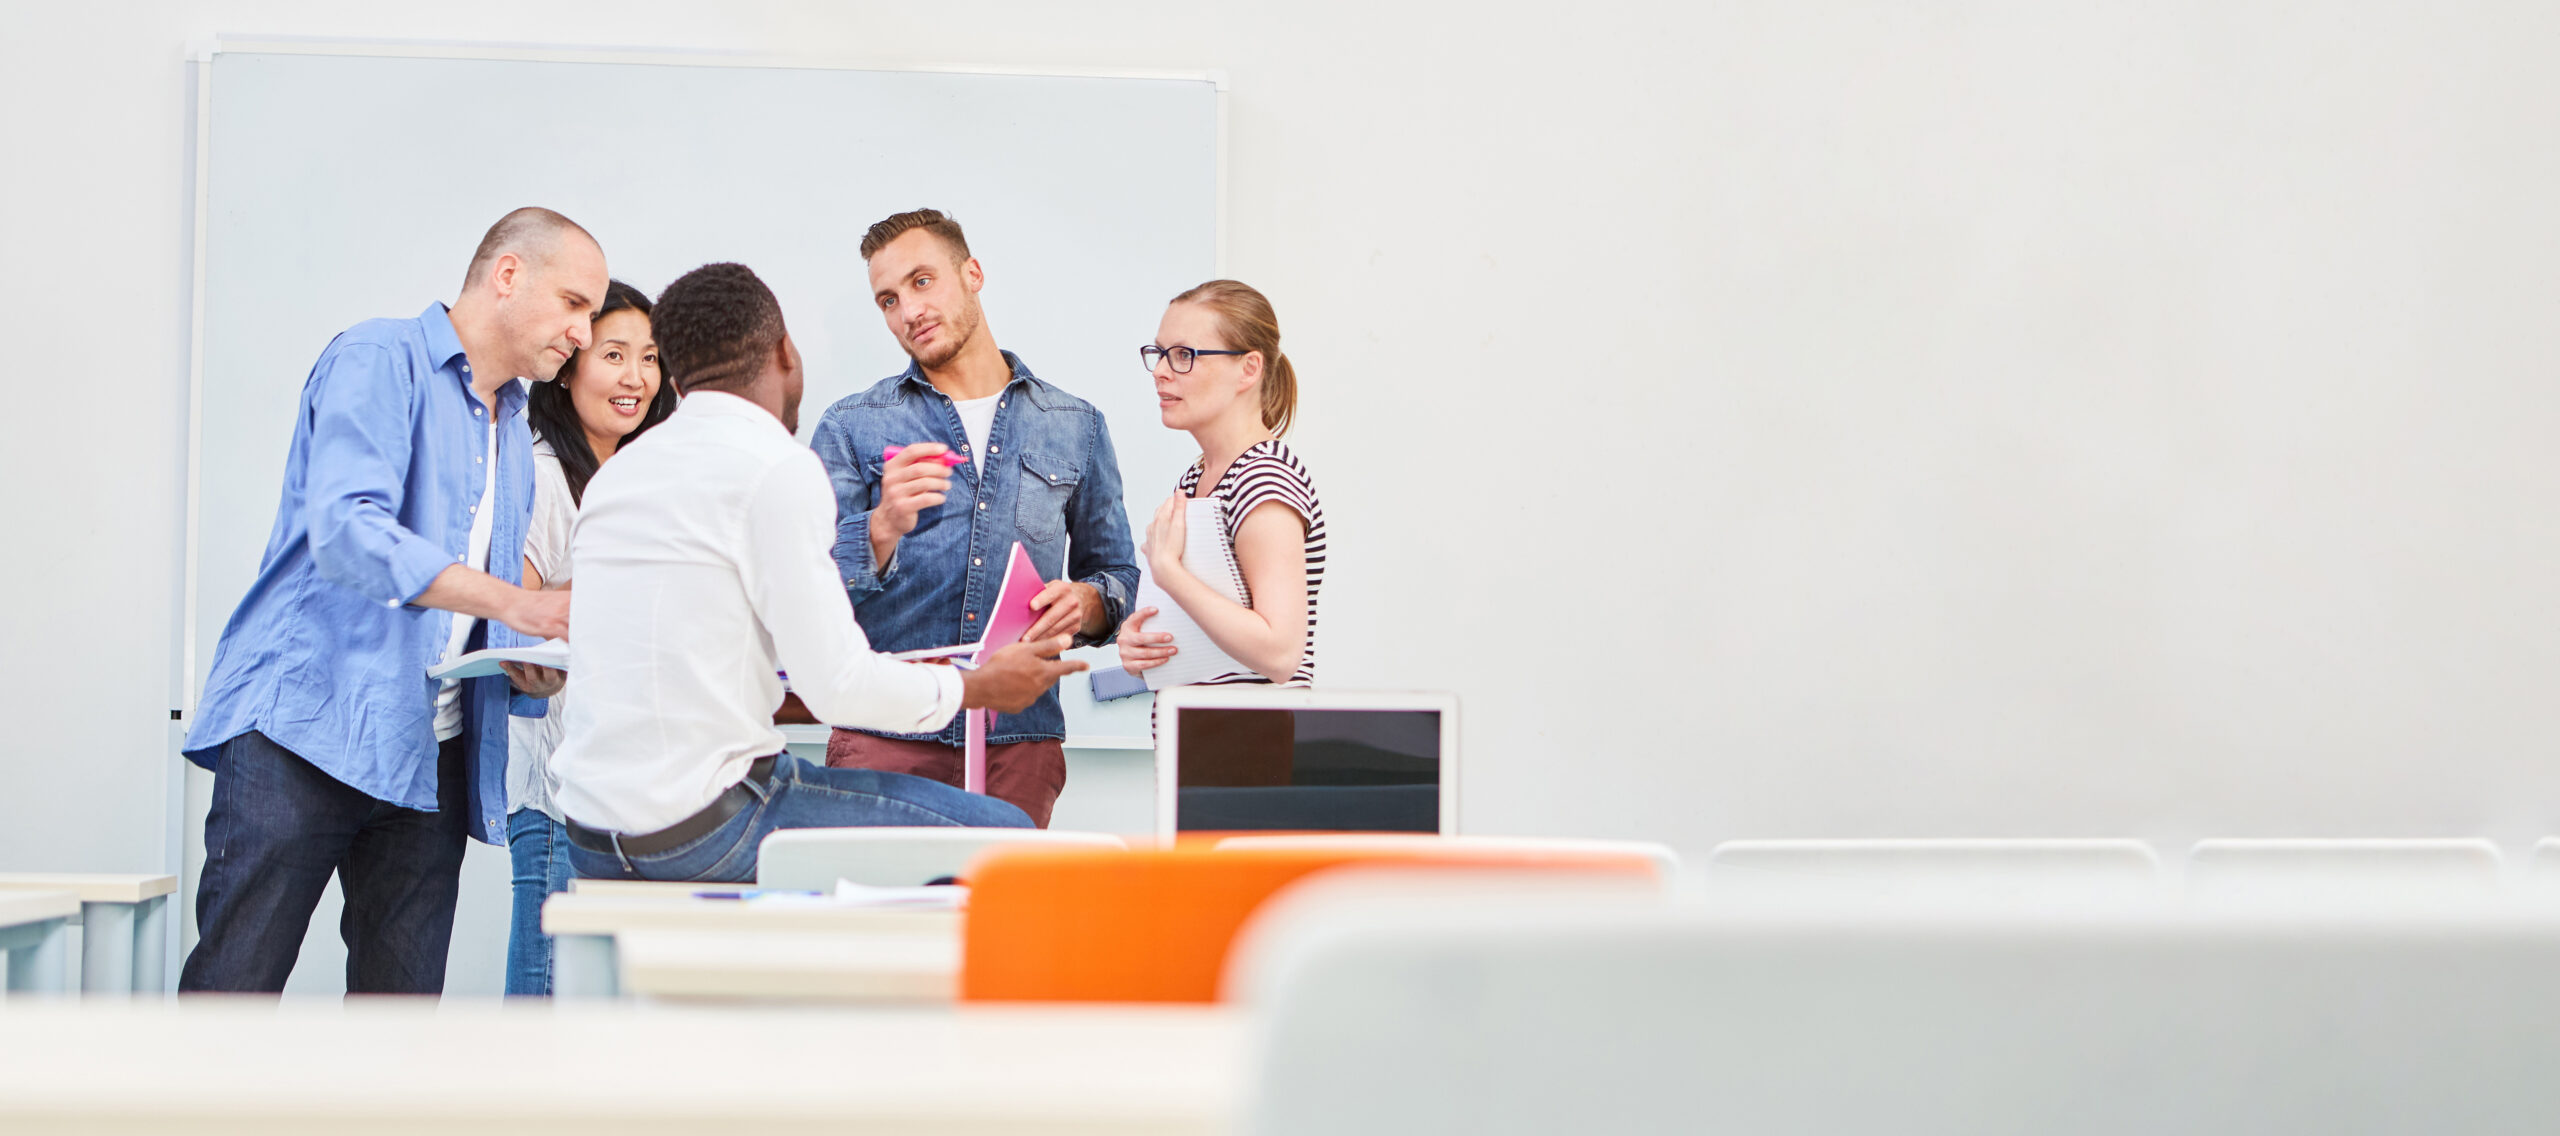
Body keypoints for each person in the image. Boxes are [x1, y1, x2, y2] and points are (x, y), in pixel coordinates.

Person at [550, 262, 1082, 883]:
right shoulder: (776, 466)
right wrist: (982, 688)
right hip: (707, 825)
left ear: (675, 374)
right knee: (1010, 838)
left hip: (591, 833)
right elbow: (836, 687)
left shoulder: (620, 473)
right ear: (785, 353)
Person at [179, 207, 595, 994]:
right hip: (303, 732)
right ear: (508, 274)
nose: (582, 331)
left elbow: (460, 610)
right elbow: (347, 530)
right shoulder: (378, 357)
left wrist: (521, 666)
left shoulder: (513, 422)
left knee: (398, 1025)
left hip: (424, 755)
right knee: (231, 997)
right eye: (574, 303)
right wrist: (516, 605)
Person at [810, 209, 1141, 828]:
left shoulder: (1076, 424)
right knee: (873, 923)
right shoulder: (851, 425)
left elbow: (1115, 572)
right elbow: (805, 583)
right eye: (888, 299)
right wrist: (880, 526)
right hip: (887, 733)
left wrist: (1088, 603)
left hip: (1020, 742)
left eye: (922, 281)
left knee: (1001, 927)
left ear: (972, 274)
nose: (908, 310)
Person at [503, 278, 676, 995]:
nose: (635, 377)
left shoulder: (637, 476)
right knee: (548, 994)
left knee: (601, 998)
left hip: (626, 785)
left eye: (651, 358)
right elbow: (514, 610)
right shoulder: (545, 473)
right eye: (613, 355)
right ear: (571, 364)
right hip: (557, 788)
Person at [1115, 281, 1327, 690]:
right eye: (1159, 353)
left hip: (1251, 750)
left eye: (1183, 356)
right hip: (1201, 748)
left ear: (1248, 369)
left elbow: (1280, 654)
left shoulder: (1265, 477)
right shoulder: (1196, 479)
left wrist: (1169, 573)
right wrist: (1140, 648)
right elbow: (1211, 637)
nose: (1160, 370)